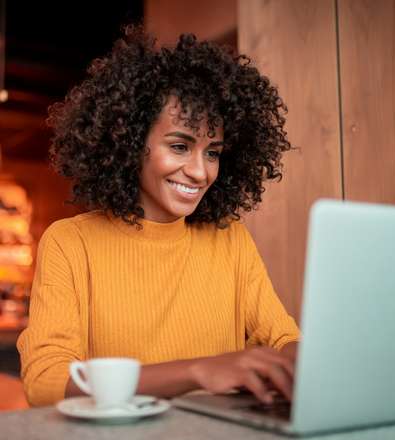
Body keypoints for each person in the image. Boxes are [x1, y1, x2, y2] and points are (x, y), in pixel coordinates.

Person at [17, 24, 301, 407]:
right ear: (130, 143)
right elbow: (46, 381)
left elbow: (284, 340)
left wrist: (306, 361)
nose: (201, 172)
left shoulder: (229, 238)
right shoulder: (71, 242)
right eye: (180, 146)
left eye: (212, 152)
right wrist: (197, 371)